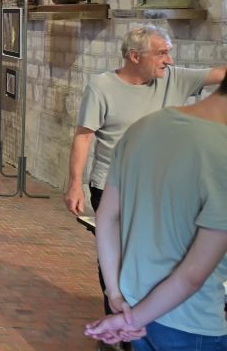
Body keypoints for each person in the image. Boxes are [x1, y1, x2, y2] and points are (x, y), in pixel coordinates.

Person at [84, 73, 227, 351]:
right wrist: (130, 319)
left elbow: (107, 217)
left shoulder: (146, 127)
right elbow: (193, 275)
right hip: (189, 323)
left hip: (138, 308)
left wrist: (118, 298)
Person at [65, 25, 224, 216]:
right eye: (161, 53)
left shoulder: (175, 78)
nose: (169, 60)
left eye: (168, 52)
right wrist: (75, 184)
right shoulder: (101, 87)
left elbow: (221, 74)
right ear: (135, 56)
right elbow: (83, 138)